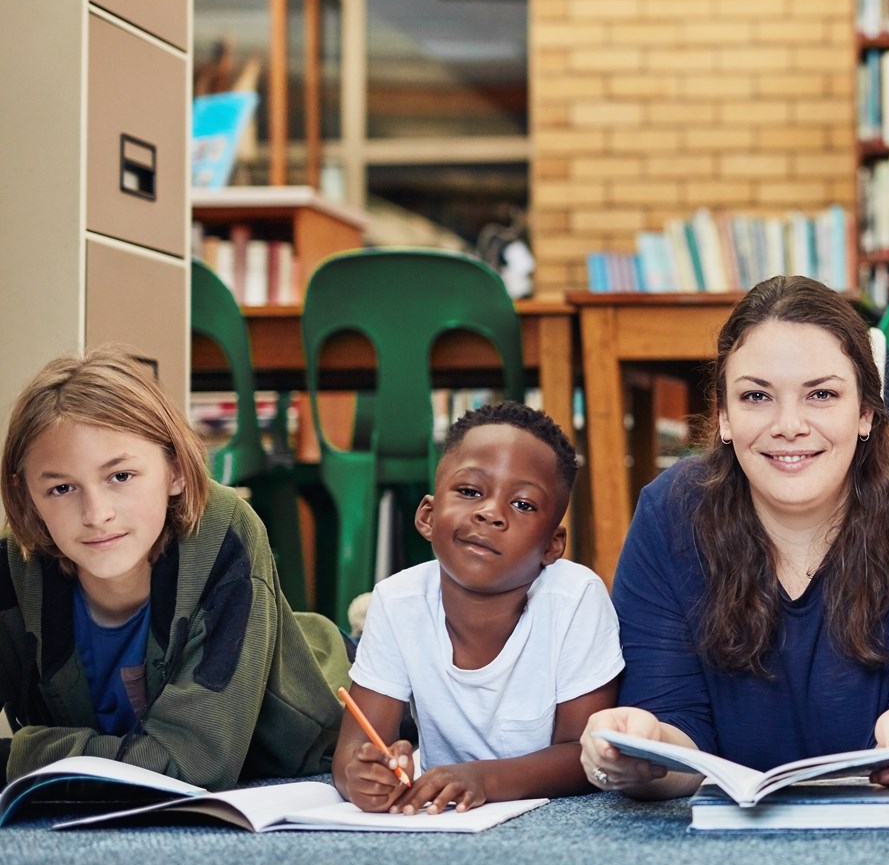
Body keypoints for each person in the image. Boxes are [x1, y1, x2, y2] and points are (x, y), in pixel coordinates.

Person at [581, 275, 889, 798]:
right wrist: (641, 752)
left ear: (865, 413)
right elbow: (674, 732)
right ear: (722, 416)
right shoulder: (668, 513)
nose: (789, 425)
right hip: (721, 848)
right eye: (757, 396)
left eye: (822, 394)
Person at [0, 346, 349, 788]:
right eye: (62, 488)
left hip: (330, 681)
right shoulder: (17, 561)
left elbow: (193, 765)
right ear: (26, 493)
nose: (96, 513)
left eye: (121, 476)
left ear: (177, 470)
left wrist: (24, 753)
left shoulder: (224, 530)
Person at [334, 401, 621, 813]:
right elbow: (353, 752)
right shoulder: (397, 601)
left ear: (552, 545)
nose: (490, 513)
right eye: (470, 492)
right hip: (442, 819)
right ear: (429, 516)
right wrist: (363, 778)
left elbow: (585, 755)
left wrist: (482, 778)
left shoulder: (575, 599)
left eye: (522, 504)